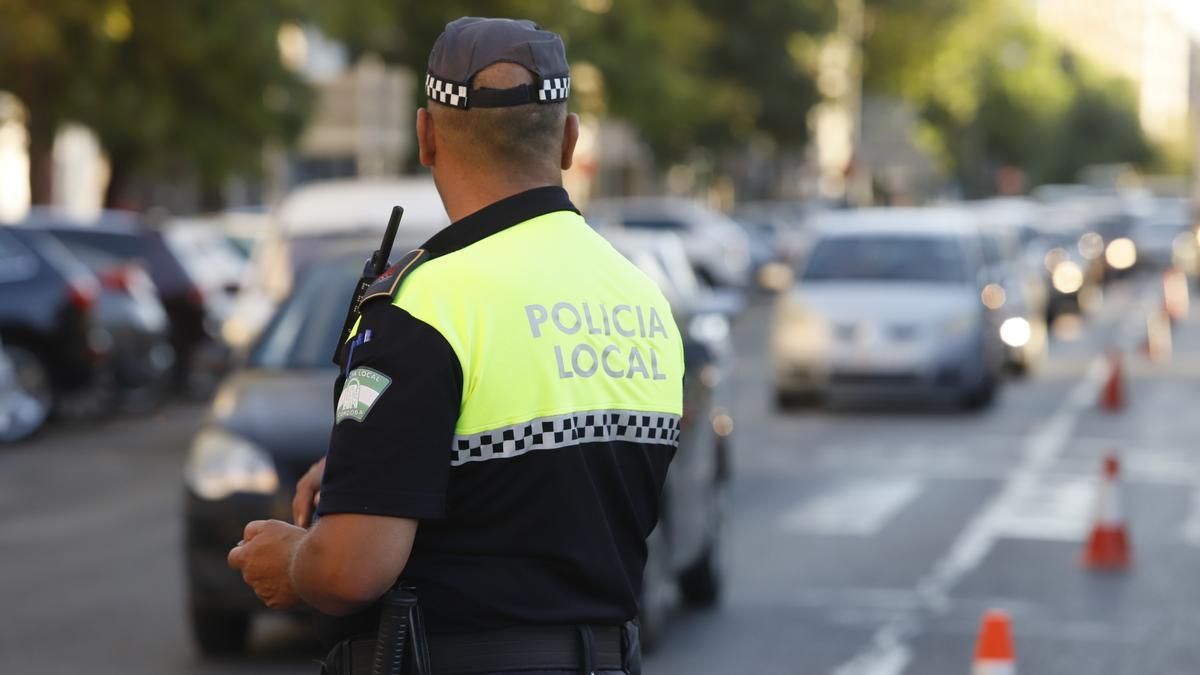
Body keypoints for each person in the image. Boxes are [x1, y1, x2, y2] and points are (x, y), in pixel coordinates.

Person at [227, 16, 684, 675]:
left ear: (426, 135)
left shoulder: (424, 302)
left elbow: (353, 567)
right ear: (568, 139)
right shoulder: (642, 301)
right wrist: (393, 465)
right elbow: (560, 488)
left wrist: (294, 562)